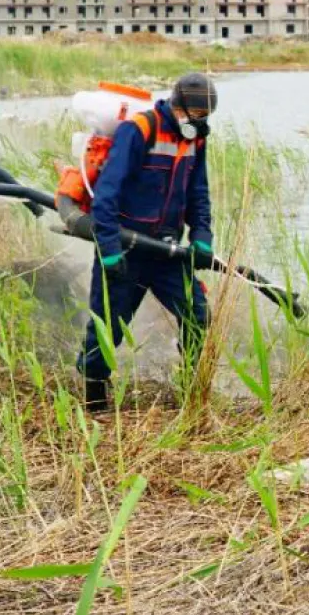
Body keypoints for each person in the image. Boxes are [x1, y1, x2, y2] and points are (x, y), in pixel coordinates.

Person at [77, 73, 218, 410]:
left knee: (198, 316)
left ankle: (188, 385)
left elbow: (198, 193)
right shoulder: (139, 130)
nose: (199, 122)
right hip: (126, 248)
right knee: (107, 325)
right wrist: (109, 250)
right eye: (196, 115)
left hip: (168, 251)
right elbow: (107, 194)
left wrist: (201, 236)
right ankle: (95, 398)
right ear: (178, 106)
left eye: (205, 117)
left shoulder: (195, 140)